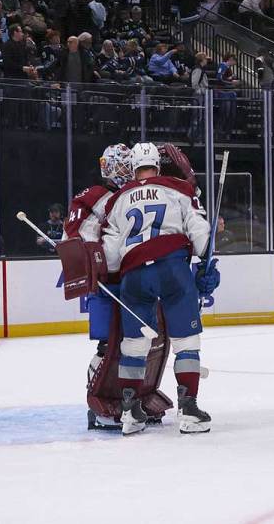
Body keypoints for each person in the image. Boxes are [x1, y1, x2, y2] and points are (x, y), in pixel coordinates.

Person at [102, 143, 218, 435]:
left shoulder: (117, 200)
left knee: (134, 344)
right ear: (157, 164)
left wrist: (112, 274)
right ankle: (188, 409)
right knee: (186, 340)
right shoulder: (176, 187)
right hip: (171, 268)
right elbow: (198, 227)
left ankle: (130, 412)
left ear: (133, 168)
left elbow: (111, 253)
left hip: (134, 274)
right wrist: (206, 260)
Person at [62, 144, 134, 430]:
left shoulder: (128, 194)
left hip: (129, 278)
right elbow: (76, 235)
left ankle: (132, 398)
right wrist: (94, 260)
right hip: (106, 282)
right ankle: (99, 403)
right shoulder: (96, 196)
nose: (127, 169)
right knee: (108, 346)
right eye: (123, 164)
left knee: (133, 344)